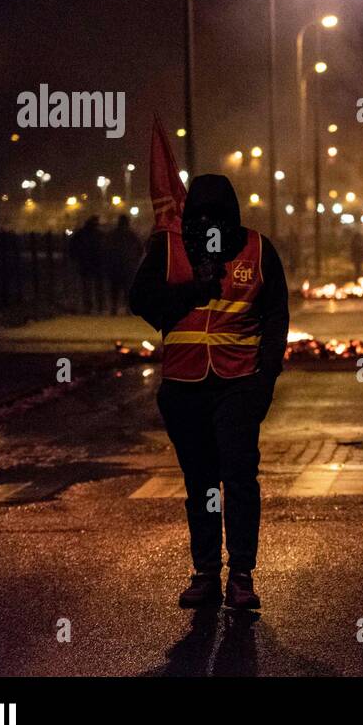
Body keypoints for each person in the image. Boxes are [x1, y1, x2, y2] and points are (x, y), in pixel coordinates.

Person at [129, 174, 289, 612]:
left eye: (216, 215)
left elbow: (276, 317)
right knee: (200, 481)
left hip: (238, 385)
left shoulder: (258, 250)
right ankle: (205, 573)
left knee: (238, 478)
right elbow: (141, 302)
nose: (208, 224)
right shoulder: (168, 248)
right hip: (184, 388)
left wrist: (265, 378)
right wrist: (191, 289)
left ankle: (241, 574)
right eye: (199, 215)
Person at [104, 214, 143, 315]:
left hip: (114, 266)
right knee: (128, 289)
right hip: (128, 266)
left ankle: (114, 308)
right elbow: (140, 249)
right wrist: (134, 260)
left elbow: (106, 249)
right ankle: (128, 309)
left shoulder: (112, 235)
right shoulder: (132, 235)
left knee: (114, 289)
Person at [70, 215, 104, 313]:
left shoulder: (80, 234)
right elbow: (104, 248)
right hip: (97, 263)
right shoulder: (99, 234)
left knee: (86, 287)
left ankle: (88, 306)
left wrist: (75, 258)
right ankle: (99, 306)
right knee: (98, 286)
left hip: (84, 263)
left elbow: (72, 247)